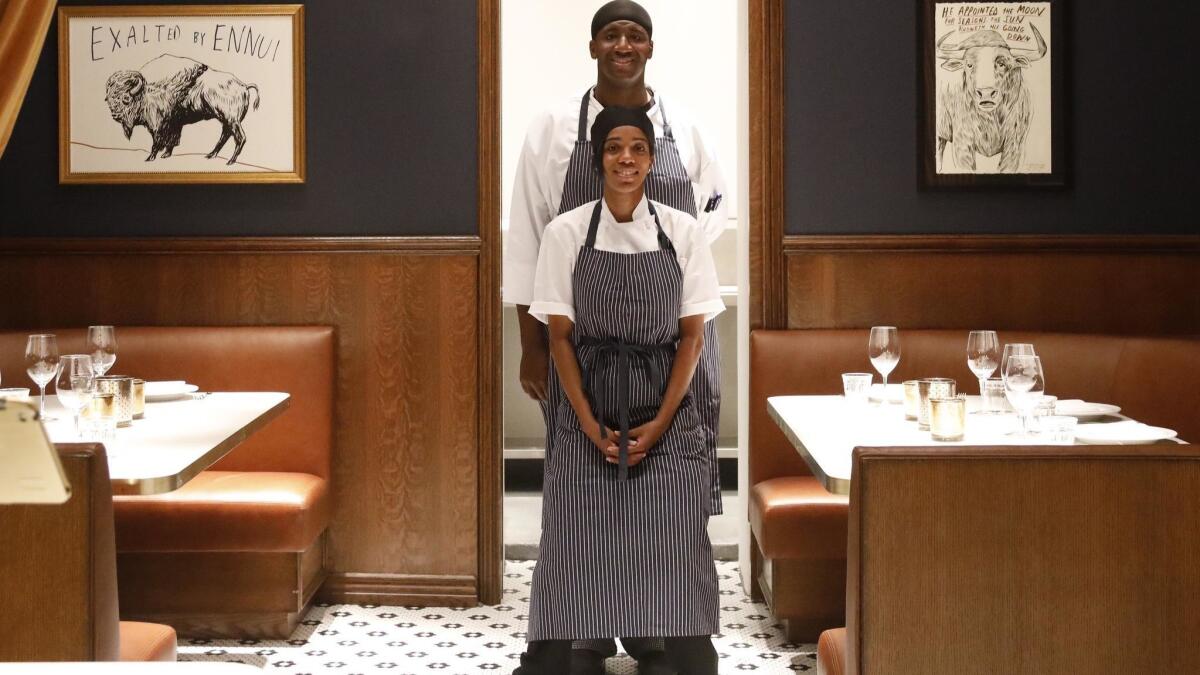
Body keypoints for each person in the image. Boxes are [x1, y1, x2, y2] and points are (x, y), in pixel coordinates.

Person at [503, 2, 727, 669]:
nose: (623, 45)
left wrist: (667, 298)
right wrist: (534, 344)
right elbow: (524, 241)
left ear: (651, 47)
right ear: (593, 45)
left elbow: (711, 216)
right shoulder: (551, 131)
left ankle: (659, 625)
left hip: (673, 348)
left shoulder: (684, 128)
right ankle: (586, 626)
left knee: (667, 506)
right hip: (583, 355)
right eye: (611, 35)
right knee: (584, 499)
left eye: (635, 35)